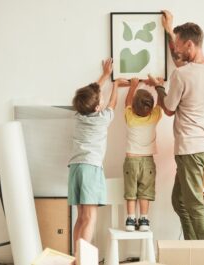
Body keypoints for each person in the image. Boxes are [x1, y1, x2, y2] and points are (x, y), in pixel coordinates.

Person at [145, 10, 204, 240]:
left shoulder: (182, 76)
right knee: (179, 201)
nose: (176, 50)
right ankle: (192, 247)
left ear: (190, 44)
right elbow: (182, 64)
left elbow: (168, 109)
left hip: (189, 147)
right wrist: (169, 30)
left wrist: (158, 87)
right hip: (202, 144)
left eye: (179, 46)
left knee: (194, 204)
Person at [68, 58, 128, 253]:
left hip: (75, 168)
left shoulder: (78, 116)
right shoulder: (102, 119)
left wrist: (104, 75)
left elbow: (92, 93)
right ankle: (83, 258)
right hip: (90, 169)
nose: (101, 100)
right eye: (99, 100)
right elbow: (113, 103)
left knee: (81, 217)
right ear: (96, 108)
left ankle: (77, 256)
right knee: (90, 217)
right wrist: (116, 85)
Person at [122, 77, 162, 231]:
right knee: (145, 191)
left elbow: (127, 103)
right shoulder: (154, 117)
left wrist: (133, 85)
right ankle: (144, 220)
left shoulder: (130, 117)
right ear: (150, 109)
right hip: (148, 162)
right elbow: (160, 104)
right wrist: (159, 86)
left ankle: (131, 219)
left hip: (131, 160)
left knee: (131, 191)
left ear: (133, 106)